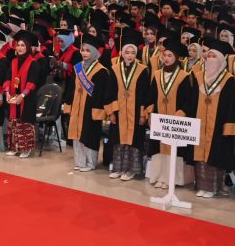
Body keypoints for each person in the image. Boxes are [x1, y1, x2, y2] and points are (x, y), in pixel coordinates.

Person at [190, 40, 235, 198]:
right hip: (199, 123)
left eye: (214, 56)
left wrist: (228, 127)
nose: (210, 59)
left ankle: (213, 187)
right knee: (199, 155)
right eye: (209, 56)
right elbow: (192, 101)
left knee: (215, 155)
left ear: (221, 60)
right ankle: (200, 185)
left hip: (218, 125)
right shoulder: (198, 76)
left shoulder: (228, 79)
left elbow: (231, 105)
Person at [147, 38, 195, 188]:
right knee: (159, 146)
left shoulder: (184, 76)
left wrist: (179, 114)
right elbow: (151, 96)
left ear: (176, 58)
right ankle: (160, 176)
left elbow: (189, 100)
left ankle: (172, 179)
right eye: (165, 55)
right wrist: (149, 114)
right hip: (159, 118)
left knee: (174, 148)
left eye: (170, 56)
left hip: (175, 121)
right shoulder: (156, 74)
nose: (166, 59)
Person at [105, 35, 153, 181]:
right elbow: (110, 92)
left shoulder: (143, 70)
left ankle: (132, 170)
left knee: (134, 141)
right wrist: (111, 112)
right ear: (122, 53)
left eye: (133, 53)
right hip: (119, 111)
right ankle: (119, 168)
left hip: (136, 112)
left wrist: (143, 114)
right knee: (118, 141)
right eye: (127, 52)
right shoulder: (114, 69)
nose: (130, 56)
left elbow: (145, 94)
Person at [63, 33, 112, 171]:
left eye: (88, 50)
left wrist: (97, 111)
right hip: (77, 108)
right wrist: (68, 104)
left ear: (95, 52)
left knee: (89, 135)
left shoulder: (101, 71)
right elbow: (71, 88)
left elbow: (100, 94)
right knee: (76, 135)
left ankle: (90, 163)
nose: (84, 53)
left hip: (90, 109)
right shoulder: (77, 67)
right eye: (83, 50)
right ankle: (80, 162)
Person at [3, 30, 47, 158]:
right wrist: (6, 92)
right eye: (18, 45)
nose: (20, 48)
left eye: (23, 45)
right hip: (13, 97)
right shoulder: (13, 62)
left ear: (28, 47)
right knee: (13, 123)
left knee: (24, 123)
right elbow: (7, 78)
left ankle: (26, 148)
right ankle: (14, 147)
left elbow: (32, 83)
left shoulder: (33, 63)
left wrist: (22, 96)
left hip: (27, 98)